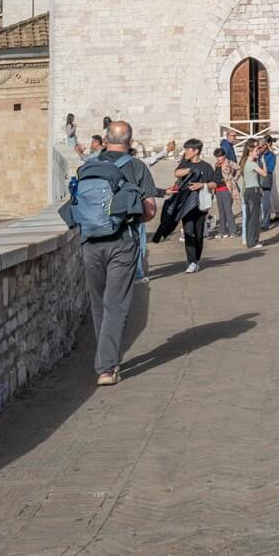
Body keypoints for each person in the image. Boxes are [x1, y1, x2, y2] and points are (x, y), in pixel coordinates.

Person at [62, 119, 158, 387]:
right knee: (116, 304)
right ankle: (106, 367)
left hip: (90, 242)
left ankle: (106, 358)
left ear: (105, 139)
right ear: (130, 140)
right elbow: (150, 211)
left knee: (98, 304)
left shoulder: (88, 167)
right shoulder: (137, 167)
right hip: (122, 243)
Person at [166, 139, 215, 273]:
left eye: (188, 149)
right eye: (185, 149)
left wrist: (202, 185)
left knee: (198, 233)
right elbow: (177, 173)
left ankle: (196, 260)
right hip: (186, 203)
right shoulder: (184, 163)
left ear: (196, 151)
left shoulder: (207, 166)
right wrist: (191, 169)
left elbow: (215, 184)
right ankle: (191, 261)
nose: (185, 151)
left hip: (200, 203)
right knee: (188, 232)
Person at [239, 138, 266, 251]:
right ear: (250, 152)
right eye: (256, 151)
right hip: (253, 191)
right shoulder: (251, 163)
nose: (258, 152)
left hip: (249, 191)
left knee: (250, 218)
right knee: (254, 218)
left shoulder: (245, 162)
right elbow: (264, 173)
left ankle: (252, 240)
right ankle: (252, 242)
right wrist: (263, 161)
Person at [212, 147, 238, 238]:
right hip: (218, 190)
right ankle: (222, 231)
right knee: (221, 211)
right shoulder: (216, 165)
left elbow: (239, 168)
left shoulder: (229, 163)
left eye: (220, 156)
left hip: (227, 190)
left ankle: (233, 231)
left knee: (228, 211)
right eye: (217, 157)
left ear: (224, 156)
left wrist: (234, 179)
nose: (219, 158)